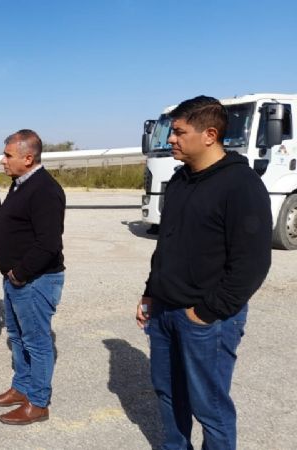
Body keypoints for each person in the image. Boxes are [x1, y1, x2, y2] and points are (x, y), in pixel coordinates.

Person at [136, 96, 271, 449]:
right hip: (164, 311)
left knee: (209, 407)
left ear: (209, 135)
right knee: (168, 393)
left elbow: (252, 264)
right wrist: (150, 292)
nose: (171, 139)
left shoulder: (241, 184)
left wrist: (206, 313)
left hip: (206, 320)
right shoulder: (180, 180)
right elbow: (167, 245)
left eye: (179, 132)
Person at [0, 129, 65, 425]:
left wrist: (20, 273)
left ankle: (38, 402)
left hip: (34, 280)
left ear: (28, 158)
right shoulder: (21, 184)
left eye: (8, 155)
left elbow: (48, 243)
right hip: (16, 280)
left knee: (36, 342)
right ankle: (21, 387)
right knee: (17, 337)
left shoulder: (45, 190)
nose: (3, 160)